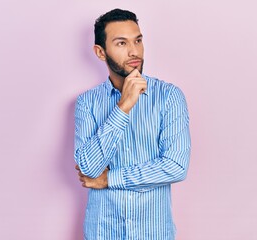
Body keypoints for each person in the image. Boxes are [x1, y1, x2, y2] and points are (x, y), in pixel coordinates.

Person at [74, 8, 191, 240]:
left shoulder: (169, 97)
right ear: (100, 52)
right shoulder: (86, 103)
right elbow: (88, 169)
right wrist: (123, 107)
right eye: (121, 43)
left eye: (138, 40)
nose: (134, 51)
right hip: (103, 232)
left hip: (153, 232)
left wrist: (109, 179)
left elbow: (176, 166)